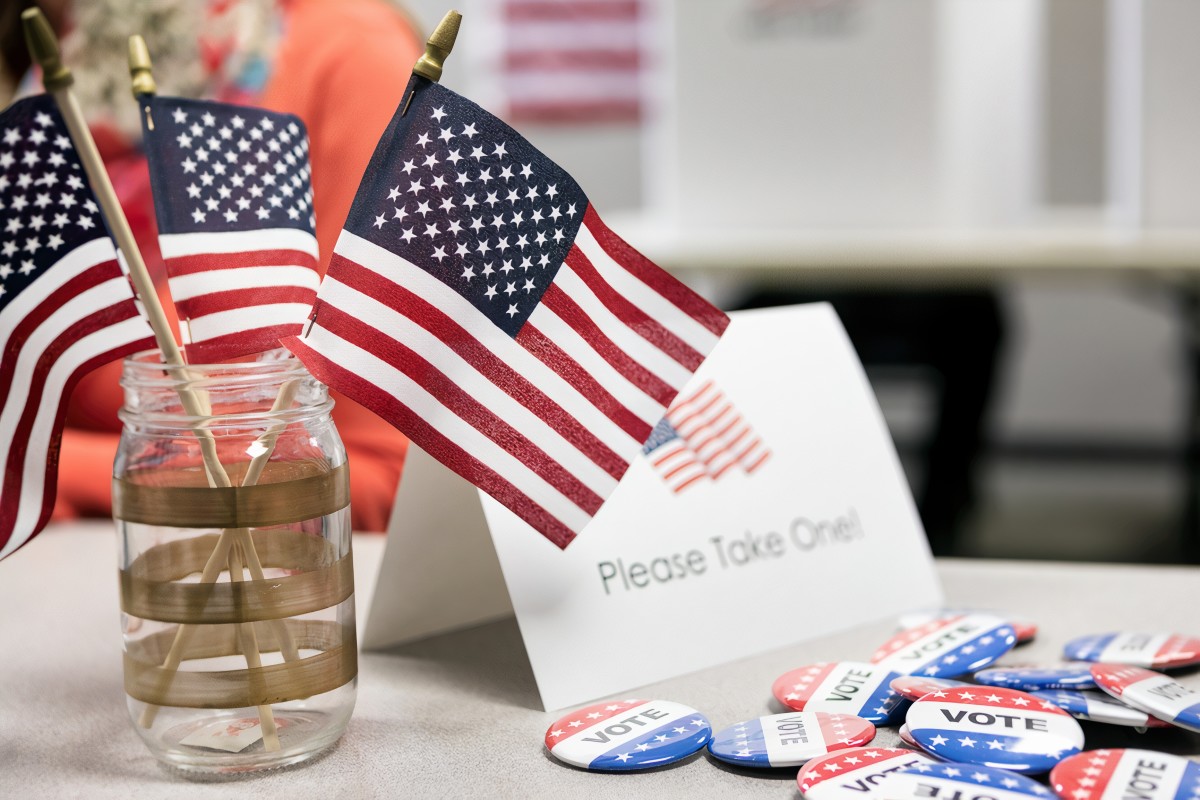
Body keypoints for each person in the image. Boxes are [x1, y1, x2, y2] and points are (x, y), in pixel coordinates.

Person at [44, 0, 423, 531]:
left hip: (252, 570)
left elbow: (377, 472)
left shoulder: (349, 52)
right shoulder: (70, 72)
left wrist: (53, 474)